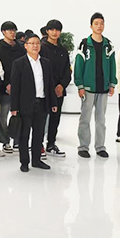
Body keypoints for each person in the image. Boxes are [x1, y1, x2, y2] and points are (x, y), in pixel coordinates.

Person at [10, 33, 58, 172]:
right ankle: (24, 162)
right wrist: (14, 107)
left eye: (37, 43)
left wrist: (53, 103)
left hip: (42, 103)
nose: (35, 46)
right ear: (25, 46)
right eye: (32, 43)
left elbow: (50, 84)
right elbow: (15, 87)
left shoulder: (46, 63)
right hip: (25, 104)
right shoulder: (19, 63)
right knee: (24, 134)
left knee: (39, 134)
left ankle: (36, 160)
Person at [75, 12, 116, 158]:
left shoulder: (108, 45)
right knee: (85, 118)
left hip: (103, 88)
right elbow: (78, 65)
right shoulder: (84, 44)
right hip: (88, 88)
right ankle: (83, 147)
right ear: (91, 26)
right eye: (96, 23)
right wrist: (80, 85)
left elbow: (112, 65)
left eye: (102, 23)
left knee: (101, 119)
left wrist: (112, 83)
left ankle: (100, 147)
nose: (99, 26)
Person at [0, 21, 25, 154]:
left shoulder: (21, 47)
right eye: (9, 30)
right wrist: (6, 84)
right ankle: (5, 141)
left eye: (14, 30)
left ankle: (17, 140)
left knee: (19, 114)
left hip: (20, 86)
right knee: (2, 116)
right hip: (3, 87)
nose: (12, 33)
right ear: (3, 32)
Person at [40, 19, 71, 157]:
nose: (54, 32)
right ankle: (38, 144)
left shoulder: (63, 50)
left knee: (55, 118)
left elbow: (67, 71)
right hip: (44, 90)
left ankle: (51, 144)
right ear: (47, 31)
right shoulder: (41, 48)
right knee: (41, 118)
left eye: (57, 30)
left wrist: (61, 86)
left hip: (59, 91)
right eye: (52, 29)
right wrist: (51, 86)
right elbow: (40, 70)